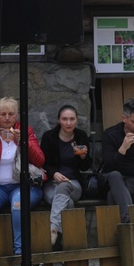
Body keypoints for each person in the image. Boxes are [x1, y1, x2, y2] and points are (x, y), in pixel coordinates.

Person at [0, 97, 45, 255]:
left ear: (16, 116)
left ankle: (19, 251)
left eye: (11, 114)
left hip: (23, 185)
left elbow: (40, 160)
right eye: (3, 114)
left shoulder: (25, 130)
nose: (7, 118)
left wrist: (23, 142)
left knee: (17, 204)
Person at [40, 105, 93, 250]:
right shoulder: (49, 137)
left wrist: (83, 157)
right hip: (52, 182)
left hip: (73, 184)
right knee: (67, 204)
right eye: (65, 119)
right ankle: (64, 246)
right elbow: (42, 162)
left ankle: (53, 228)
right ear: (59, 120)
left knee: (64, 187)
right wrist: (54, 174)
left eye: (72, 119)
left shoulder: (81, 136)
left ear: (76, 121)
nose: (68, 123)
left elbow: (85, 166)